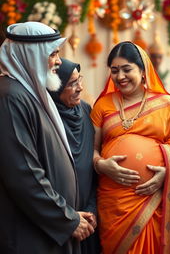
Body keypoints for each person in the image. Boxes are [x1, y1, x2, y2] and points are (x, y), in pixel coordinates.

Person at [0, 22, 94, 254]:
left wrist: (68, 215)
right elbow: (23, 174)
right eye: (52, 54)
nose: (59, 61)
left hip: (48, 229)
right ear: (31, 56)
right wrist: (66, 219)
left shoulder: (29, 93)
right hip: (30, 234)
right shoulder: (10, 97)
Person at [90, 41, 170, 253]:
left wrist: (167, 173)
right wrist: (101, 165)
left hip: (153, 199)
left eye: (127, 69)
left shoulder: (167, 104)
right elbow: (90, 149)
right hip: (113, 201)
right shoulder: (103, 105)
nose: (120, 76)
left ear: (144, 71)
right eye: (115, 71)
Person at [48, 58, 101, 254]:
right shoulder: (47, 117)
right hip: (61, 218)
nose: (80, 88)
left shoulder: (86, 111)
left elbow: (93, 166)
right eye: (72, 83)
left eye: (80, 80)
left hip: (90, 216)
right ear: (55, 87)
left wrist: (92, 210)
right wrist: (68, 217)